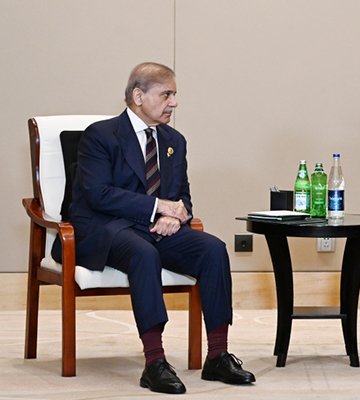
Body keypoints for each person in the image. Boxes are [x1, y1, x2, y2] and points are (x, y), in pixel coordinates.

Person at [52, 62, 255, 394]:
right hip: (106, 229)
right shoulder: (100, 135)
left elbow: (182, 195)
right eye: (166, 94)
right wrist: (159, 207)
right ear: (138, 96)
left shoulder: (174, 140)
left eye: (175, 95)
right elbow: (98, 194)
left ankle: (218, 355)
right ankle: (155, 362)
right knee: (143, 254)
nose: (174, 102)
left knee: (213, 249)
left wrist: (177, 215)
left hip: (157, 229)